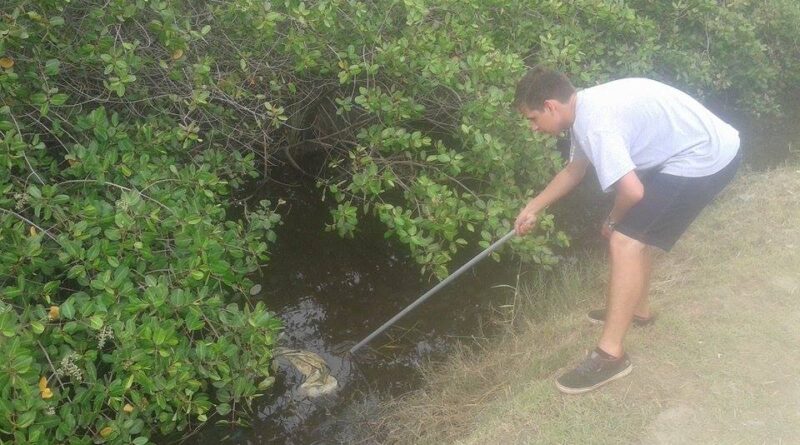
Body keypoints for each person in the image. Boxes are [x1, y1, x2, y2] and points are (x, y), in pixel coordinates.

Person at [512, 66, 740, 394]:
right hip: (701, 145)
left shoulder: (595, 124)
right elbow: (575, 170)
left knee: (624, 241)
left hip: (706, 157)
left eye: (532, 118)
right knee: (633, 234)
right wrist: (532, 207)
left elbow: (632, 191)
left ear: (550, 106)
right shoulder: (583, 107)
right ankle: (638, 310)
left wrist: (612, 220)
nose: (533, 128)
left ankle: (611, 356)